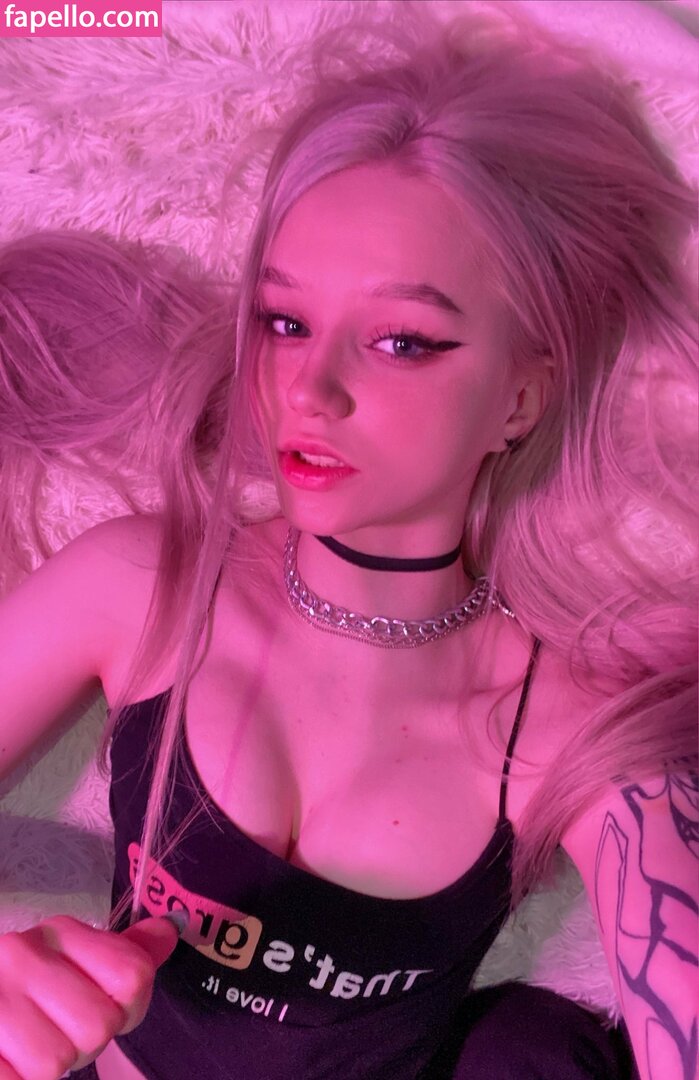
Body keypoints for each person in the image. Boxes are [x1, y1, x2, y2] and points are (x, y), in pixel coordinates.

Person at [0, 5, 695, 1079]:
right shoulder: (142, 584)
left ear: (521, 398)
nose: (309, 391)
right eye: (284, 323)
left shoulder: (571, 725)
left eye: (403, 341)